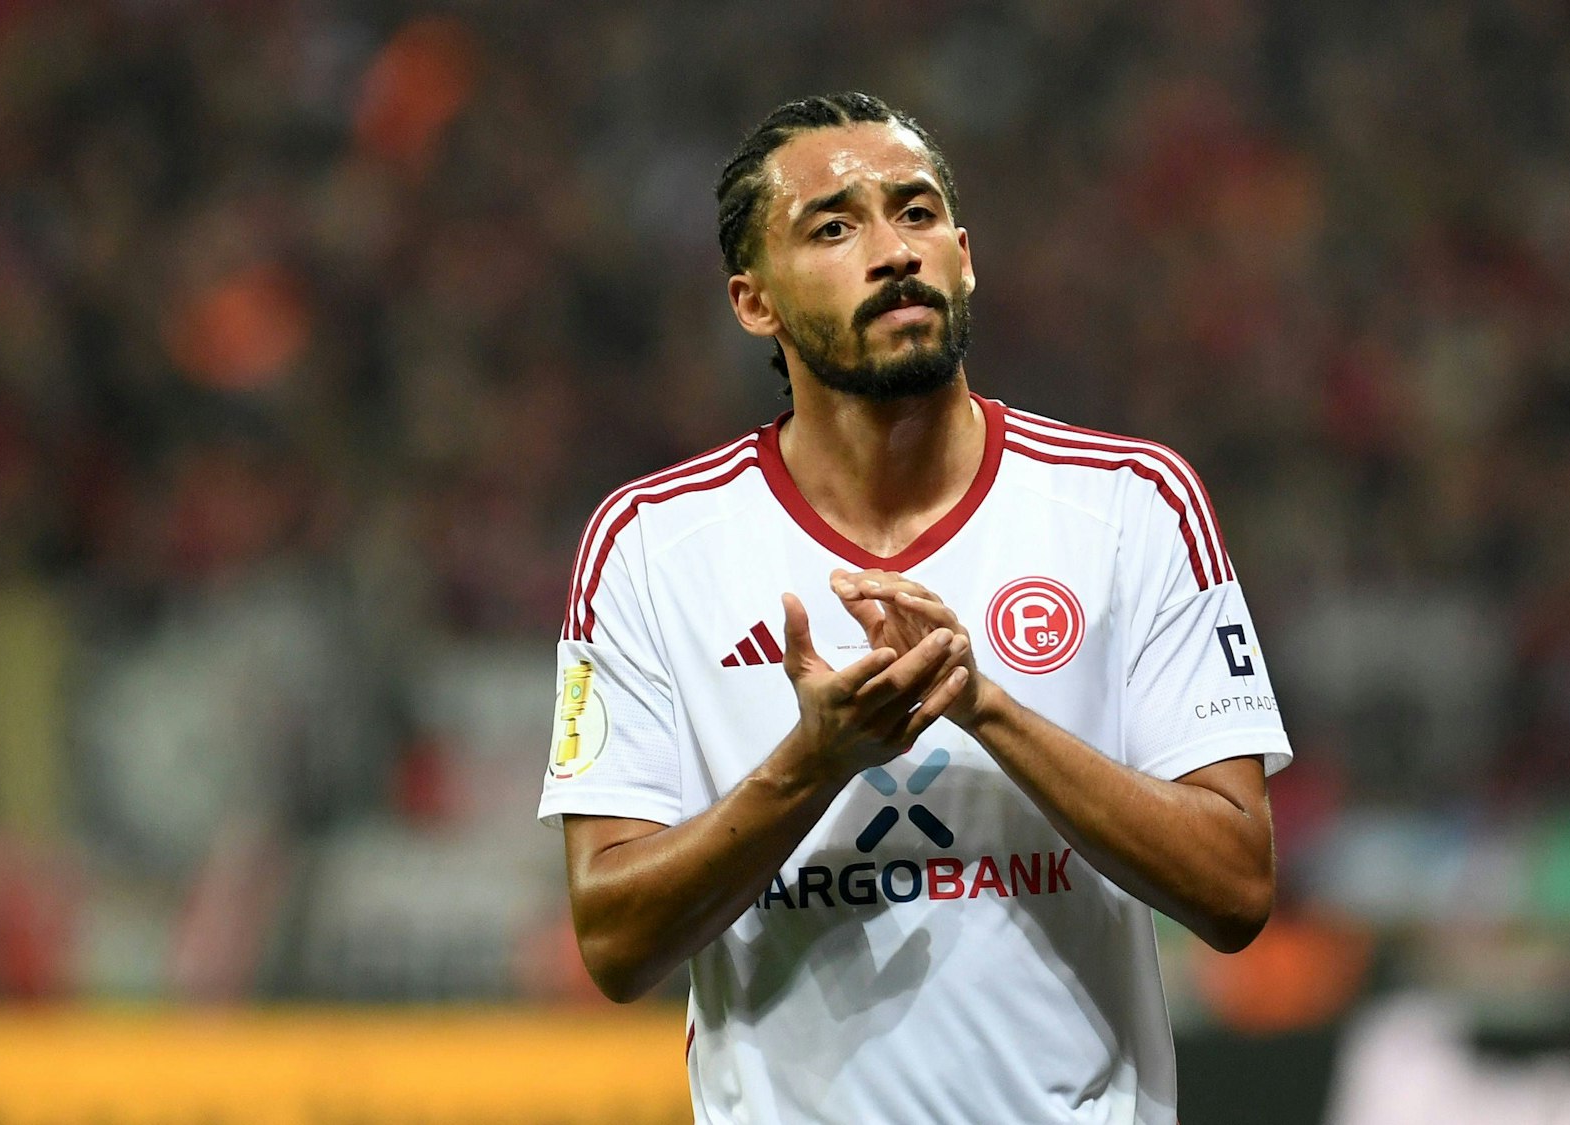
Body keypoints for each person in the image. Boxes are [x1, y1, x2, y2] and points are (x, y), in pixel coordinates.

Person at [539, 91, 1291, 1125]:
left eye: (917, 212)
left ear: (964, 257)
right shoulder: (649, 547)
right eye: (833, 227)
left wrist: (986, 708)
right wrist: (814, 763)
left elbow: (1237, 887)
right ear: (753, 302)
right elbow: (614, 942)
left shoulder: (1130, 506)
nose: (893, 251)